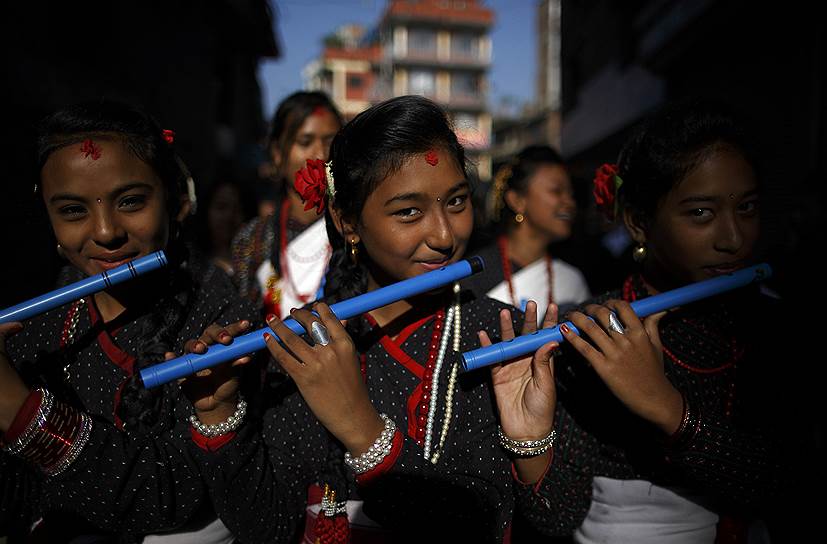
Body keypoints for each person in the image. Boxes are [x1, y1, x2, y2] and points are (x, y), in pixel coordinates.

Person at [191, 95, 560, 543]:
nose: (445, 235)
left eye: (458, 201)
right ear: (347, 222)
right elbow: (270, 525)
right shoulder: (313, 344)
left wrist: (364, 431)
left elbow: (510, 520)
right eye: (409, 211)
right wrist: (221, 415)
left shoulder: (502, 337)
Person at [515, 99, 798, 543]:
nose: (734, 238)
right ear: (639, 222)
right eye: (701, 213)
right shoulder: (591, 337)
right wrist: (527, 439)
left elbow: (791, 489)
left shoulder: (777, 325)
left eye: (746, 208)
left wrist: (666, 406)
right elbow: (559, 516)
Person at [0, 100, 260, 543]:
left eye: (131, 202)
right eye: (73, 211)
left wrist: (16, 410)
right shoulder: (36, 328)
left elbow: (172, 497)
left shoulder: (222, 321)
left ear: (176, 201)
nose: (105, 232)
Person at [232, 91, 343, 319]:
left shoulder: (354, 228)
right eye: (305, 141)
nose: (320, 154)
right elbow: (243, 319)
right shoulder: (253, 239)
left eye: (331, 141)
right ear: (276, 154)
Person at [473, 145, 591, 317]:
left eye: (571, 194)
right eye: (556, 191)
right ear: (517, 200)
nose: (570, 203)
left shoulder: (571, 279)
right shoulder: (477, 272)